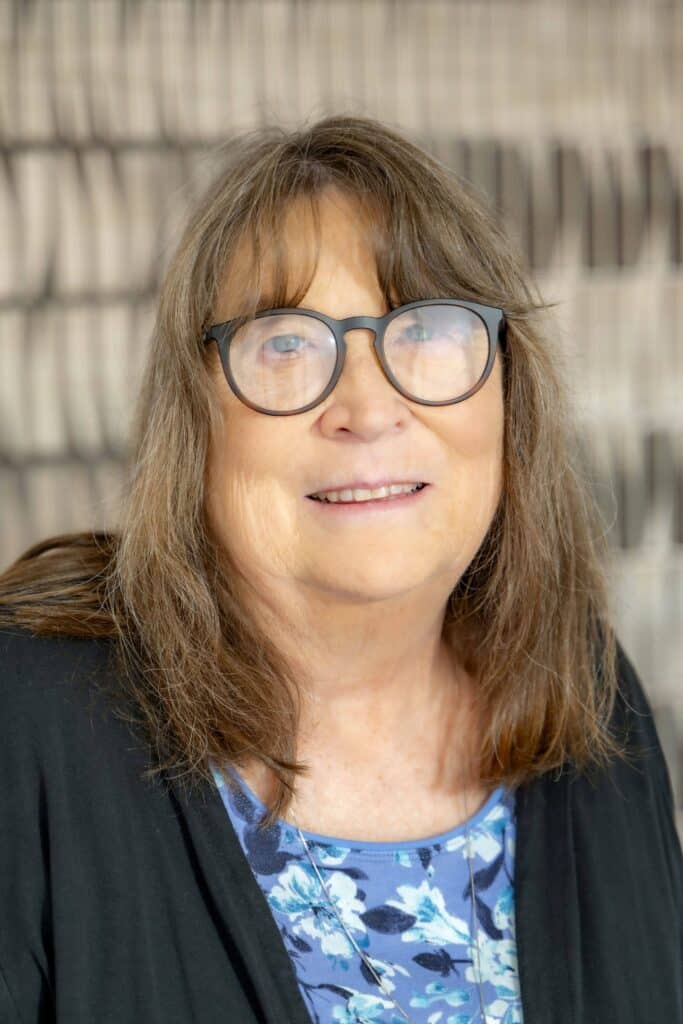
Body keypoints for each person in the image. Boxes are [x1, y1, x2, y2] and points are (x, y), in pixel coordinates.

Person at [0, 113, 680, 1024]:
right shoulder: (29, 717)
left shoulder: (586, 694)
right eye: (284, 342)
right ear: (195, 421)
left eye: (425, 329)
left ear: (508, 398)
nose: (367, 407)